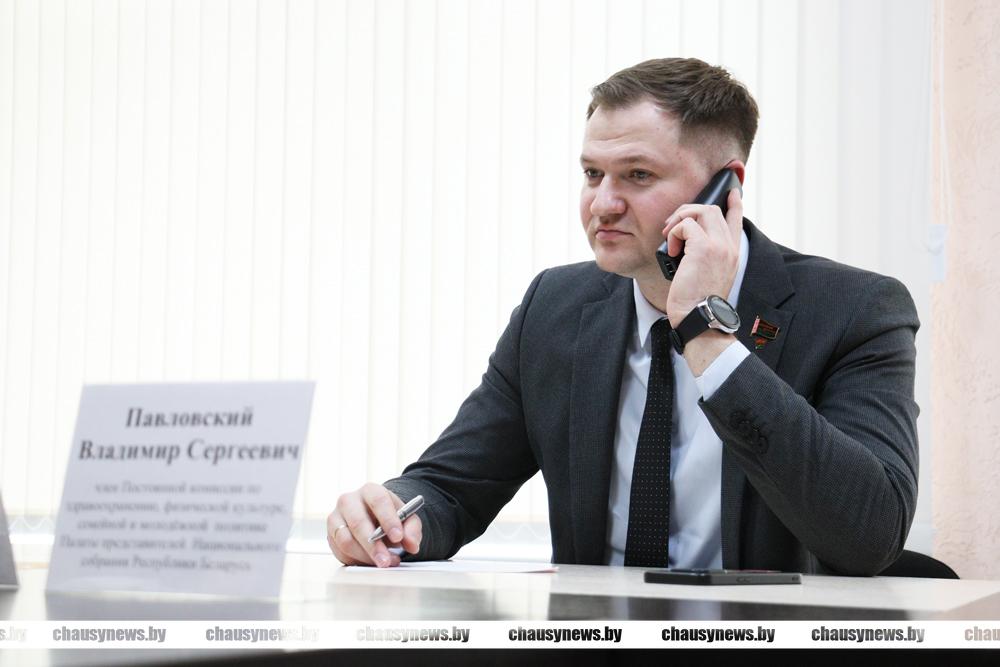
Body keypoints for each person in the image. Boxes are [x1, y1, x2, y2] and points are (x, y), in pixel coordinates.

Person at [327, 58, 919, 576]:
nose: (602, 204)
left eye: (638, 175)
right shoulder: (555, 308)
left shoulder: (853, 311)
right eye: (592, 174)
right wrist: (389, 517)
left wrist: (707, 335)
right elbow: (453, 488)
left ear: (725, 188)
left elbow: (870, 535)